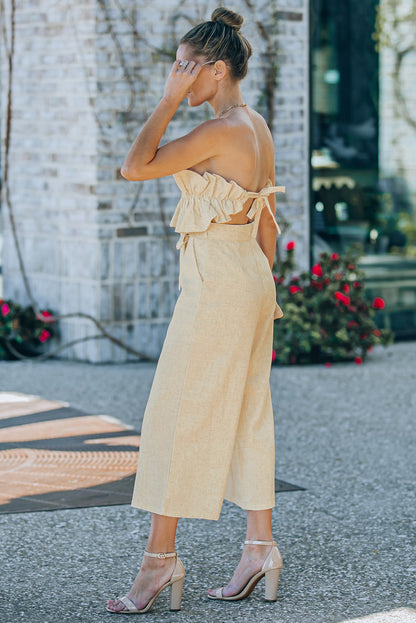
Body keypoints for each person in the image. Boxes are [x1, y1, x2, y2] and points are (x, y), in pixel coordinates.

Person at [106, 7, 285, 615]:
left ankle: (160, 560)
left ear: (216, 69)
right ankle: (259, 548)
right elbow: (267, 223)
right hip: (249, 277)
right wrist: (262, 291)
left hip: (219, 284)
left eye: (186, 67)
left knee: (177, 414)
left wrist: (165, 101)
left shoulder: (219, 132)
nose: (177, 75)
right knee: (249, 411)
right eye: (175, 68)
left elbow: (134, 167)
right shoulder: (255, 125)